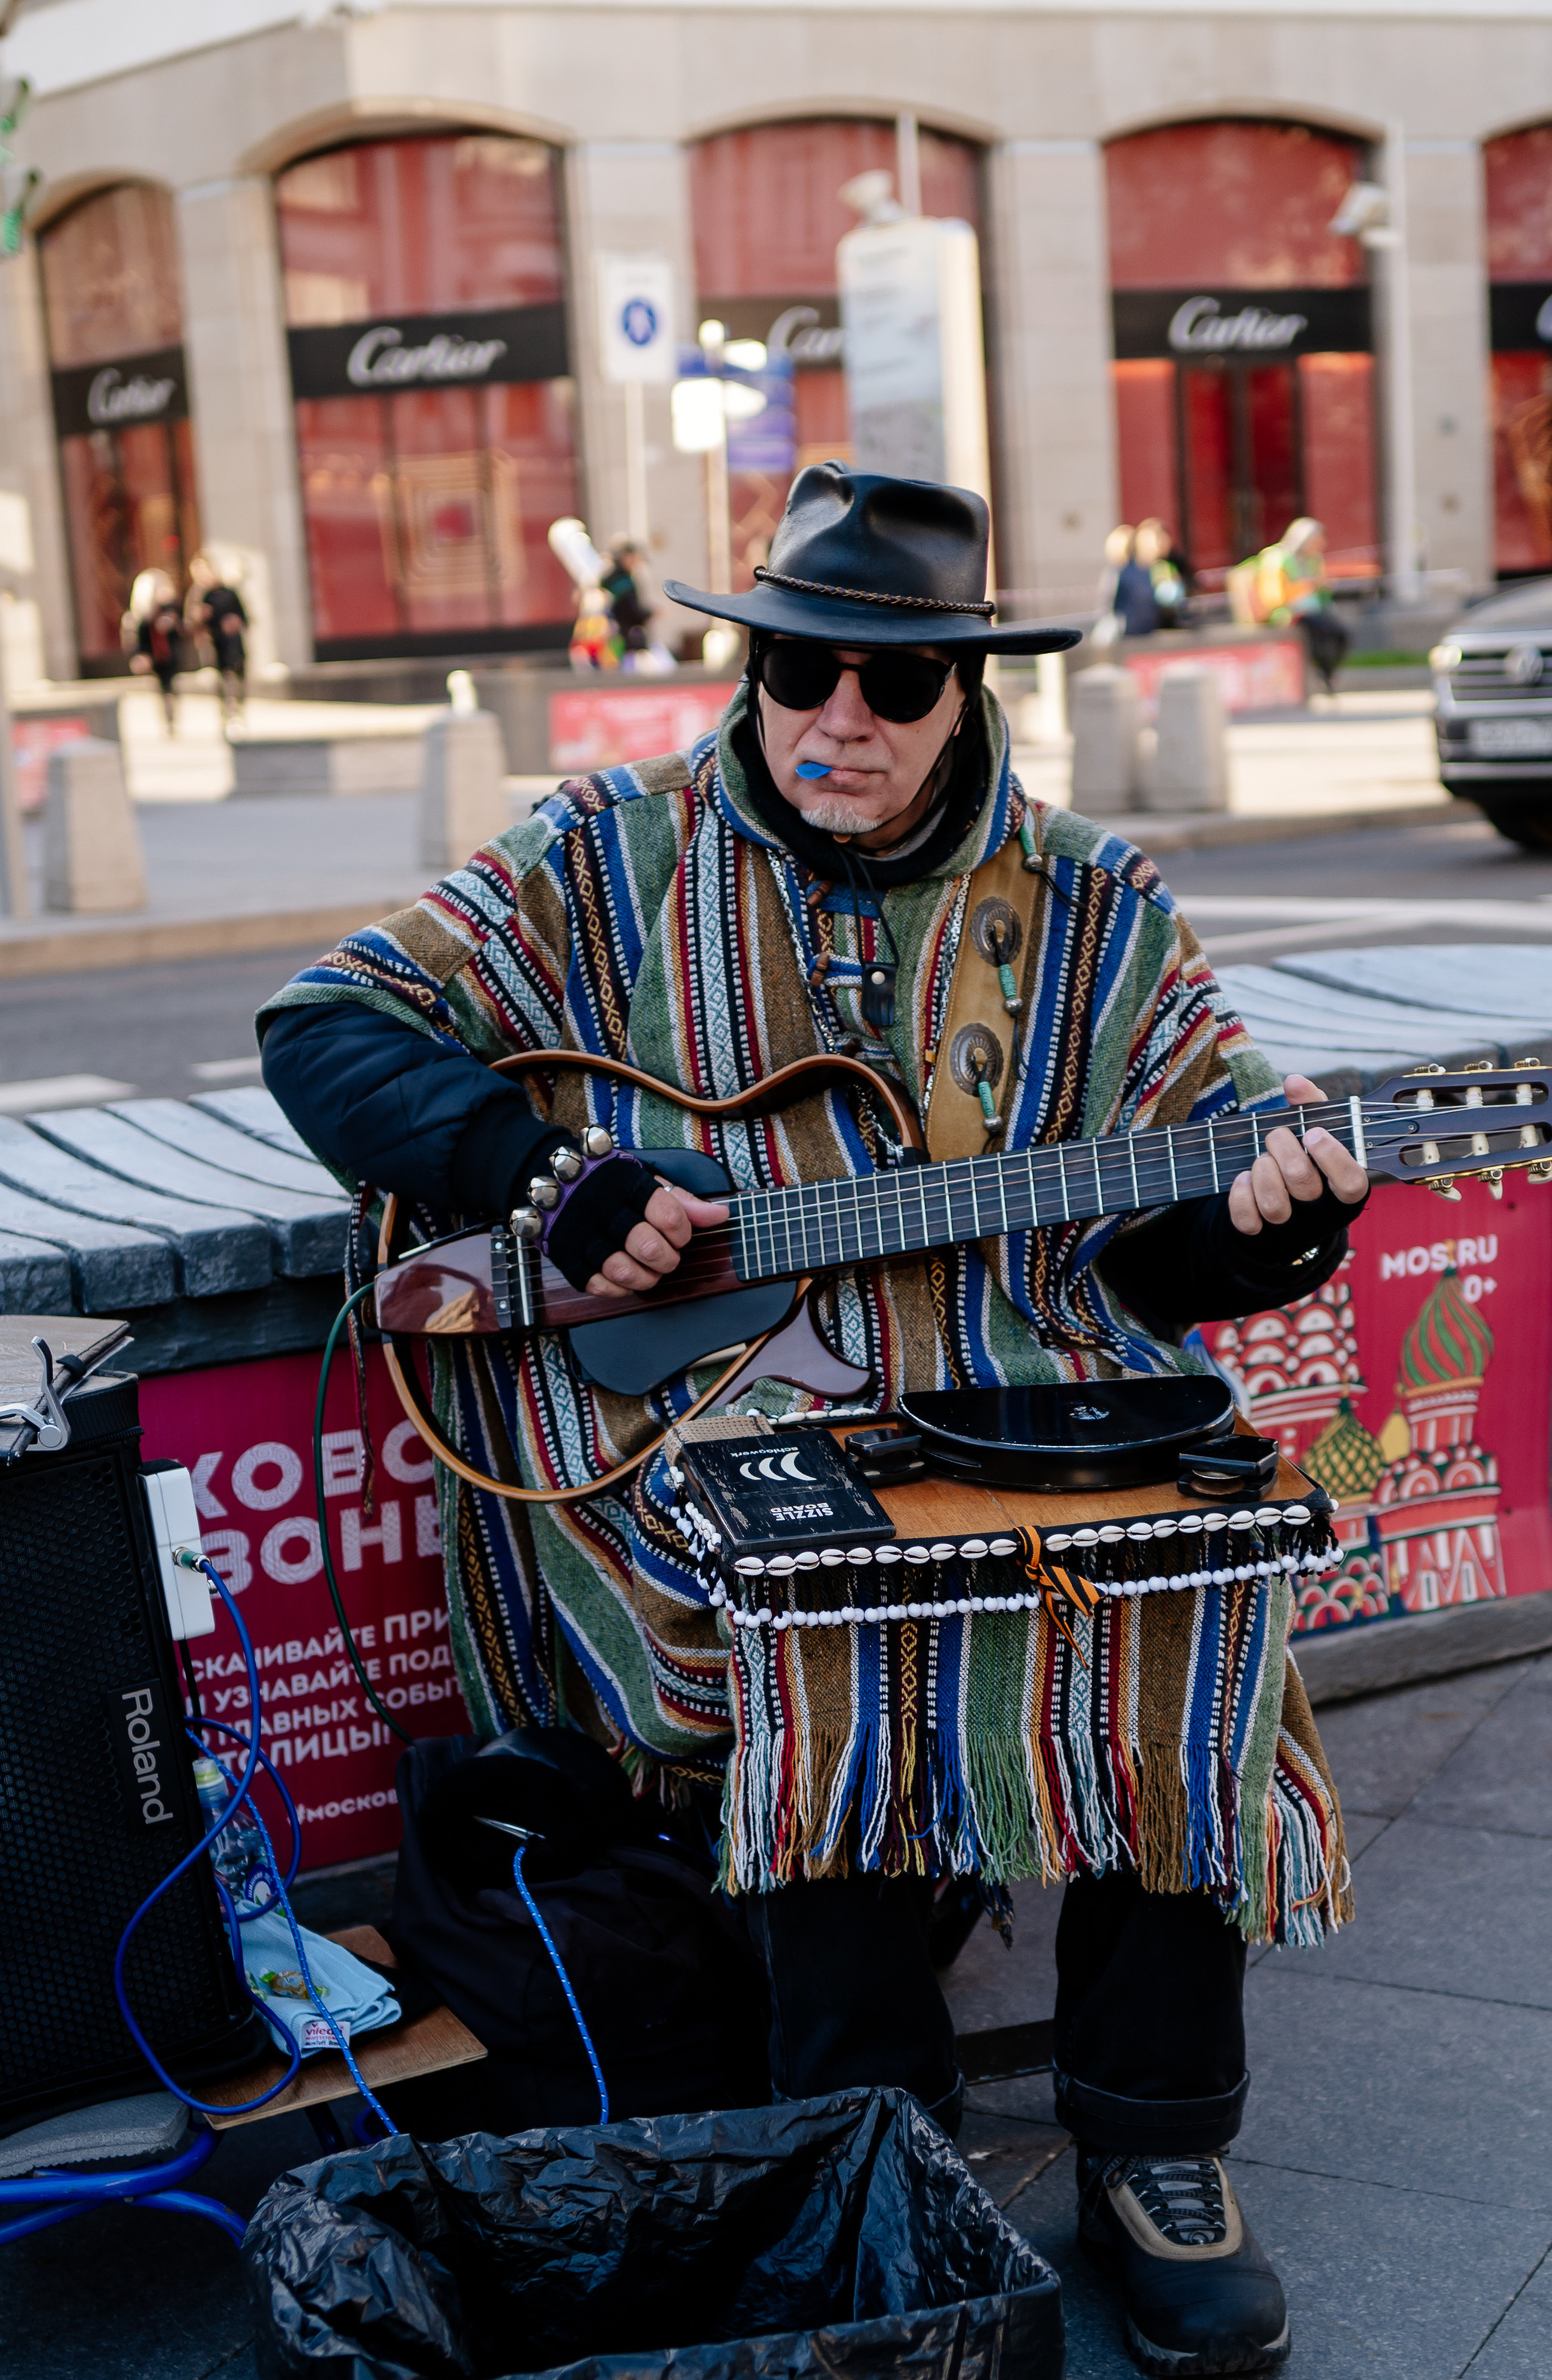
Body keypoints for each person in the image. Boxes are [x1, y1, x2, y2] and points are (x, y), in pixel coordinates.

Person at [260, 467, 1367, 2379]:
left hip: (1014, 1388)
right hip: (680, 1425)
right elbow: (325, 1024)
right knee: (821, 1605)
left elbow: (1165, 1251)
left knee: (1209, 1593)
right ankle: (876, 2141)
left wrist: (1280, 1214)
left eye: (888, 683)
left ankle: (1154, 2143)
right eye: (792, 667)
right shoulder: (608, 852)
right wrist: (545, 1177)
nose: (832, 717)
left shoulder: (1089, 900)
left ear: (965, 692)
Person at [1229, 516, 1350, 695]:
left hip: (1312, 611)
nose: (1320, 545)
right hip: (1285, 613)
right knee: (1320, 634)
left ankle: (1326, 674)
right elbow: (1274, 597)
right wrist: (1307, 585)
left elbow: (1322, 595)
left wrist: (1323, 588)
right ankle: (1322, 674)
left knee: (1340, 635)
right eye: (1316, 541)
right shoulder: (1278, 558)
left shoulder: (1313, 560)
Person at [187, 557, 250, 723]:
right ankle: (227, 712)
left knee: (238, 676)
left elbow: (245, 617)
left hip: (233, 642)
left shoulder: (229, 592)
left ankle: (238, 709)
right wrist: (199, 617)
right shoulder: (197, 596)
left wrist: (236, 622)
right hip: (214, 645)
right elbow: (189, 623)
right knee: (222, 679)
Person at [124, 568, 187, 735]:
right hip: (153, 656)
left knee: (170, 687)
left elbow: (183, 631)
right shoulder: (140, 617)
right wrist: (139, 656)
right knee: (161, 688)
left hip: (170, 655)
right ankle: (167, 720)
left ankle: (172, 719)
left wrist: (173, 624)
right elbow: (135, 640)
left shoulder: (170, 609)